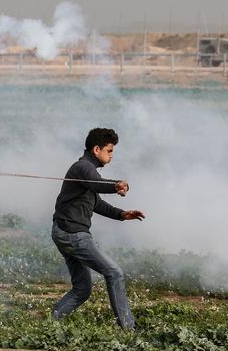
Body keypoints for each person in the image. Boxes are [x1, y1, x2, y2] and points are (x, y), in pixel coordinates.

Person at [51, 127, 145, 330]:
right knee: (115, 273)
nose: (111, 156)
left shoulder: (86, 172)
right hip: (73, 235)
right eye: (109, 151)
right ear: (96, 149)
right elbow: (97, 184)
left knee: (82, 289)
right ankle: (130, 329)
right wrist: (116, 185)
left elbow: (96, 203)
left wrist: (122, 214)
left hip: (64, 233)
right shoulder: (83, 168)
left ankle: (53, 319)